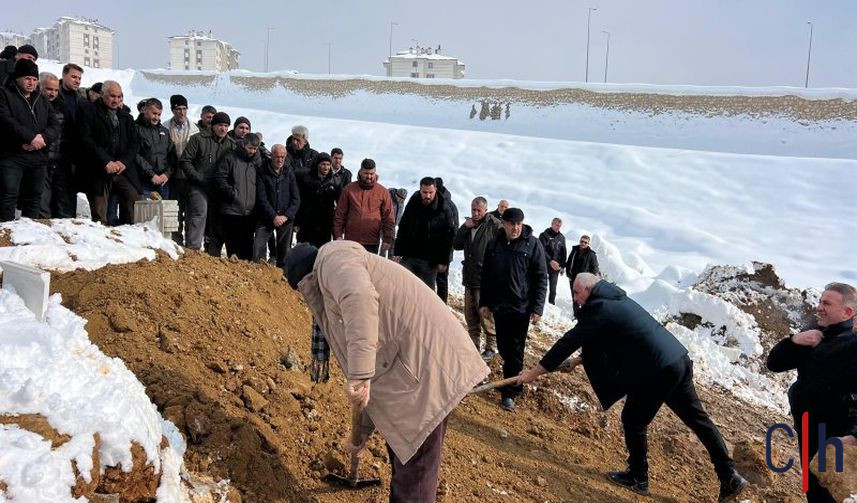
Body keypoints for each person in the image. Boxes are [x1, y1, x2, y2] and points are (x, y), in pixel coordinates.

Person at [284, 241, 489, 503]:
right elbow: (372, 375)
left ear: (304, 280)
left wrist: (359, 374)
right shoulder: (334, 269)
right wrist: (364, 432)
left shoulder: (333, 260)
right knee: (403, 450)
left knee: (415, 471)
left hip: (426, 371)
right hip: (410, 373)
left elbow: (359, 298)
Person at [518, 273, 748, 501]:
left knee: (633, 420)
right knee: (698, 420)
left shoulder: (599, 308)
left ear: (589, 289)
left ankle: (638, 478)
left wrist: (533, 372)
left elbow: (567, 341)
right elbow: (618, 339)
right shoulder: (617, 300)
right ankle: (729, 476)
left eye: (577, 292)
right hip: (677, 360)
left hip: (658, 370)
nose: (575, 298)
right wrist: (579, 361)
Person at [767, 282, 857, 503]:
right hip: (808, 430)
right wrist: (793, 341)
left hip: (837, 438)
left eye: (827, 303)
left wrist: (855, 435)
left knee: (834, 496)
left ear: (847, 312)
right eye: (820, 301)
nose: (819, 307)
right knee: (813, 491)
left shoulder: (853, 345)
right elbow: (774, 363)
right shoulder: (815, 335)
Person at [478, 207, 547, 411]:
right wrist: (485, 303)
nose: (516, 228)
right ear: (504, 224)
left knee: (516, 350)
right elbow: (487, 276)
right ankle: (510, 380)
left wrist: (537, 307)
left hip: (521, 308)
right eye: (512, 224)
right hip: (500, 306)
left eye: (519, 224)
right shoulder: (494, 244)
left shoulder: (532, 245)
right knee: (504, 346)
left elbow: (541, 277)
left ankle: (511, 393)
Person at [0, 59, 59, 221]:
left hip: (38, 157)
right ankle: (6, 235)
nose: (31, 83)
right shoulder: (4, 94)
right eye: (27, 78)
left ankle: (30, 233)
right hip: (12, 156)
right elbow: (6, 121)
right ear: (17, 78)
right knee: (8, 196)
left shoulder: (42, 99)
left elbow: (55, 125)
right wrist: (30, 137)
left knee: (34, 198)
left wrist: (41, 139)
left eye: (34, 79)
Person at [79, 81, 142, 225]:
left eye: (119, 97)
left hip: (122, 169)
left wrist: (123, 162)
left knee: (134, 198)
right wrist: (106, 161)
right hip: (98, 168)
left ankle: (130, 232)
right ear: (102, 95)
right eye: (112, 96)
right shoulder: (89, 111)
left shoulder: (126, 117)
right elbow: (86, 139)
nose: (116, 100)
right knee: (100, 211)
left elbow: (134, 143)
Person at [453, 196, 502, 360]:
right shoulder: (469, 225)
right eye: (473, 209)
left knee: (485, 315)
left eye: (478, 210)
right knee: (470, 314)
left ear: (485, 210)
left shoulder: (492, 225)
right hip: (469, 277)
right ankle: (474, 344)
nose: (475, 213)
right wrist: (465, 228)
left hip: (485, 279)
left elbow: (503, 241)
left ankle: (491, 347)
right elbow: (456, 244)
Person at [179, 111, 235, 250]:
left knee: (217, 218)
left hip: (218, 188)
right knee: (200, 212)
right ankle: (193, 248)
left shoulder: (231, 145)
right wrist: (199, 178)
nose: (223, 129)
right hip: (198, 185)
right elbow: (185, 161)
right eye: (220, 125)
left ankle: (212, 252)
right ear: (213, 125)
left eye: (226, 126)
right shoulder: (198, 139)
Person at [393, 177, 456, 289]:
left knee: (426, 292)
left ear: (435, 190)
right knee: (402, 287)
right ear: (420, 190)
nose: (427, 195)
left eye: (430, 192)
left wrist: (444, 260)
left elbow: (449, 236)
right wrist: (398, 252)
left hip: (430, 260)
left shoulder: (444, 209)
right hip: (410, 255)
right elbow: (403, 228)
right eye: (424, 192)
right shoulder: (413, 203)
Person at [212, 133, 261, 260]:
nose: (252, 151)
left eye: (255, 149)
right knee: (233, 251)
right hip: (232, 211)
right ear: (244, 144)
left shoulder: (257, 162)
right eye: (250, 148)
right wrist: (232, 194)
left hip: (249, 212)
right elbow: (220, 177)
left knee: (247, 251)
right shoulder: (231, 157)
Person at [332, 158, 395, 254]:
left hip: (372, 242)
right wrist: (338, 235)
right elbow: (340, 214)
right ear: (360, 172)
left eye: (371, 173)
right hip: (351, 241)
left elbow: (388, 218)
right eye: (366, 173)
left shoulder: (383, 192)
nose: (369, 176)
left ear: (375, 173)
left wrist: (387, 239)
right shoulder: (349, 189)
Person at [51, 63, 87, 218]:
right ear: (64, 75)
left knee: (68, 194)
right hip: (52, 151)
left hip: (72, 155)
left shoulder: (81, 99)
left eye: (79, 78)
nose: (77, 81)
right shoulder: (53, 93)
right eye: (73, 77)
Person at [253, 144, 299, 266]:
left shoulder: (289, 172)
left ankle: (282, 278)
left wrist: (286, 216)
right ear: (271, 156)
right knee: (258, 246)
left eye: (282, 157)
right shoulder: (262, 171)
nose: (280, 160)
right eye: (277, 156)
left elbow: (296, 198)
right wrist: (273, 216)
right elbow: (261, 198)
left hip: (285, 218)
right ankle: (257, 273)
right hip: (266, 217)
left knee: (284, 252)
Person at [165, 94, 199, 244]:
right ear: (173, 110)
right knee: (175, 211)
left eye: (184, 108)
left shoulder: (195, 130)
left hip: (189, 177)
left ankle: (191, 245)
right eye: (178, 109)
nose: (182, 112)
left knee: (191, 212)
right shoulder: (165, 127)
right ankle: (176, 242)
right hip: (172, 177)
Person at [295, 152, 338, 248]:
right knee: (304, 251)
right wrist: (297, 222)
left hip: (325, 225)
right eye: (323, 164)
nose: (326, 167)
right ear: (317, 165)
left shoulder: (334, 182)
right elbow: (300, 202)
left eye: (328, 165)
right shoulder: (307, 180)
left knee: (321, 253)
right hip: (307, 223)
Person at [135, 98, 175, 199]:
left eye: (159, 114)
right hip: (145, 181)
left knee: (164, 213)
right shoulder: (136, 129)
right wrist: (151, 175)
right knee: (145, 213)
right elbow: (136, 155)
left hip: (163, 181)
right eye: (154, 113)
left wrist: (167, 174)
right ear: (145, 110)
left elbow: (172, 155)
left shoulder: (165, 132)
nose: (156, 117)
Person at [37, 72, 63, 218]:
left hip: (58, 161)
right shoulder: (34, 105)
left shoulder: (62, 107)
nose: (52, 93)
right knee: (42, 202)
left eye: (56, 90)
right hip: (39, 159)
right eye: (49, 89)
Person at [433, 177, 458, 304]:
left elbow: (454, 233)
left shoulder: (450, 206)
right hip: (430, 250)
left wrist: (447, 254)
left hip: (444, 251)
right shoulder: (433, 202)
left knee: (441, 280)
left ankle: (442, 305)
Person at [566, 234, 600, 316]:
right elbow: (569, 262)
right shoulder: (574, 250)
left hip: (584, 281)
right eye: (582, 241)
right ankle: (576, 315)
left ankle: (584, 316)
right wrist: (568, 272)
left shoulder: (591, 254)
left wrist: (589, 279)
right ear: (579, 241)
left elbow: (595, 268)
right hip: (573, 279)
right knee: (575, 298)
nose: (583, 243)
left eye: (585, 242)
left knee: (584, 299)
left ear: (588, 244)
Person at [539, 217, 568, 305]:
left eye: (559, 226)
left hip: (556, 266)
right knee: (541, 285)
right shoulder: (544, 235)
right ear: (552, 224)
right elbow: (541, 250)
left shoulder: (561, 237)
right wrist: (550, 261)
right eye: (556, 225)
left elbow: (564, 252)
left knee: (553, 288)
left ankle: (551, 305)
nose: (558, 227)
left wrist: (563, 266)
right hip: (544, 263)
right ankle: (540, 304)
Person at [382, 187, 407, 258]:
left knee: (392, 242)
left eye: (403, 199)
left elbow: (400, 213)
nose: (401, 200)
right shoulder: (389, 199)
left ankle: (391, 259)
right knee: (385, 240)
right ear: (396, 195)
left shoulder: (401, 203)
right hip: (384, 223)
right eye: (399, 197)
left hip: (393, 224)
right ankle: (381, 258)